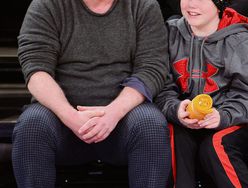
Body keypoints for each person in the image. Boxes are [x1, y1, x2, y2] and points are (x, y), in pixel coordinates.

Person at [12, 0, 172, 187]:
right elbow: (36, 70)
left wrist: (113, 113)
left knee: (151, 125)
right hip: (61, 120)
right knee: (32, 126)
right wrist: (69, 115)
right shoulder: (46, 5)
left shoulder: (143, 6)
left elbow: (151, 68)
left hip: (124, 118)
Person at [155, 0, 248, 187]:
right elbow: (161, 84)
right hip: (186, 117)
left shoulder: (240, 41)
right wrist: (175, 109)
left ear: (218, 4)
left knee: (216, 146)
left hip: (236, 115)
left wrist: (223, 116)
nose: (191, 5)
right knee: (174, 137)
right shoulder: (169, 33)